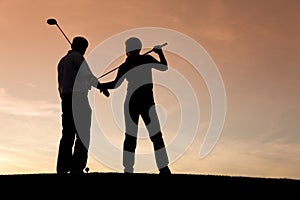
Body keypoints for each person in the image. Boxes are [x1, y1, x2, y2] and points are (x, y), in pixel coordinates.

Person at [100, 37, 171, 174]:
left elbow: (115, 84)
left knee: (131, 136)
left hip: (132, 102)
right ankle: (164, 168)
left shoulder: (126, 65)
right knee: (156, 135)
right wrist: (159, 52)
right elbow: (164, 67)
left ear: (127, 49)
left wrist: (102, 86)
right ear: (139, 48)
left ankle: (128, 169)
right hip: (146, 101)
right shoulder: (145, 59)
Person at [56, 36, 109, 174]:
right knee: (83, 134)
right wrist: (101, 87)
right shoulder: (78, 58)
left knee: (67, 135)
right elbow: (87, 76)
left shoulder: (61, 62)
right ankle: (76, 168)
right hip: (78, 99)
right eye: (85, 48)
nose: (85, 51)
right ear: (82, 47)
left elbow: (61, 84)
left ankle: (62, 168)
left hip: (66, 99)